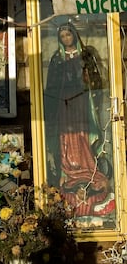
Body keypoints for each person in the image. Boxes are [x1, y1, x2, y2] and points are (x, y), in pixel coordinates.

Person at [44, 22, 114, 217]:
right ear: (60, 39)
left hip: (83, 100)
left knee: (83, 133)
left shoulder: (86, 54)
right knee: (67, 136)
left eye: (69, 35)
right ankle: (71, 168)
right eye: (63, 36)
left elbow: (96, 79)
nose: (66, 39)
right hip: (65, 102)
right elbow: (51, 85)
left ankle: (87, 165)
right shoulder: (57, 58)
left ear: (74, 35)